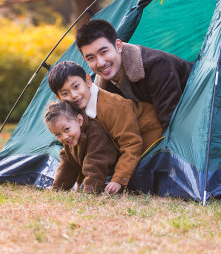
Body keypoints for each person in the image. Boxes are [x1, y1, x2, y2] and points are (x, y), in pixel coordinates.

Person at [47, 61, 162, 193]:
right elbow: (74, 152)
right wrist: (62, 186)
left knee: (136, 174)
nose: (73, 95)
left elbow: (132, 143)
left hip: (147, 133)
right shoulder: (73, 114)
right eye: (65, 93)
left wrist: (119, 179)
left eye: (76, 86)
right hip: (117, 146)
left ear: (88, 81)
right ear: (59, 97)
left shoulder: (112, 106)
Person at [75, 19, 193, 131]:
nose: (100, 63)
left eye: (104, 52)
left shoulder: (157, 66)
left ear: (118, 46)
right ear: (85, 60)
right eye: (91, 58)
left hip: (199, 108)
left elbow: (172, 124)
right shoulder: (103, 89)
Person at [44, 100, 119, 194]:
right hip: (94, 174)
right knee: (81, 183)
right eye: (58, 134)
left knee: (91, 186)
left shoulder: (95, 132)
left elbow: (95, 161)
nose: (64, 137)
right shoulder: (71, 139)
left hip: (111, 173)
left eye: (67, 129)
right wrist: (58, 188)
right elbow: (67, 163)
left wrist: (90, 189)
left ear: (79, 120)